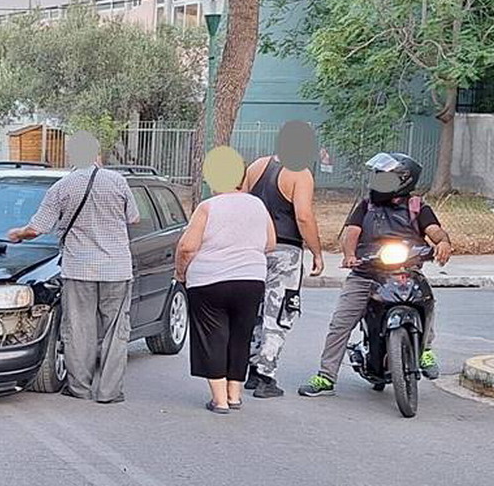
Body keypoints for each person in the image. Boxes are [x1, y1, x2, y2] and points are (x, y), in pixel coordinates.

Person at [298, 152, 453, 397]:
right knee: (341, 322)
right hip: (366, 273)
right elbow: (351, 233)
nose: (379, 181)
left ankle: (425, 349)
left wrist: (443, 243)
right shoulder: (366, 204)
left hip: (406, 269)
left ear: (403, 180)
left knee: (426, 300)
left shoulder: (417, 206)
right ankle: (326, 376)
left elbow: (435, 231)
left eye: (386, 177)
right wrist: (349, 255)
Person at [7, 162, 141, 404]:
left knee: (79, 327)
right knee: (116, 330)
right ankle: (110, 392)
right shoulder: (118, 181)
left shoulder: (63, 186)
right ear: (97, 156)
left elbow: (37, 228)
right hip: (116, 269)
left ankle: (79, 387)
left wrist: (18, 234)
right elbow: (134, 218)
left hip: (79, 268)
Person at [176, 180, 275, 413]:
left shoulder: (207, 207)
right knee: (241, 335)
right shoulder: (258, 205)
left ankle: (219, 400)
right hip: (250, 279)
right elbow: (270, 243)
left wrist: (181, 272)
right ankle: (235, 395)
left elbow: (187, 247)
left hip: (209, 280)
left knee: (213, 337)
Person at [241, 124, 325, 399]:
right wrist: (317, 251)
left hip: (254, 247)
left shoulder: (257, 166)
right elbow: (303, 216)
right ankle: (267, 376)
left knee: (255, 309)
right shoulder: (299, 173)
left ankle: (251, 370)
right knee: (278, 313)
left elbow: (241, 199)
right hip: (285, 249)